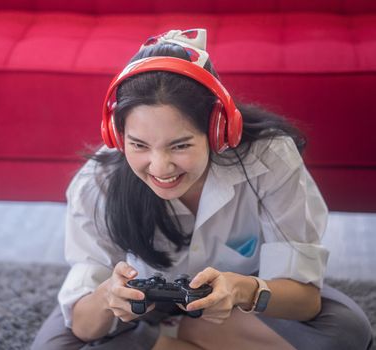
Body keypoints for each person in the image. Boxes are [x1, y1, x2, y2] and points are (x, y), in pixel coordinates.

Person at [32, 29, 373, 349]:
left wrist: (242, 289)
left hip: (236, 304)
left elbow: (305, 299)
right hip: (143, 312)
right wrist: (108, 296)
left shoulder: (269, 159)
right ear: (117, 136)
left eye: (180, 146)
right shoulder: (98, 182)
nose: (160, 167)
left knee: (347, 332)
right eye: (139, 145)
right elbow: (82, 325)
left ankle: (169, 339)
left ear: (219, 131)